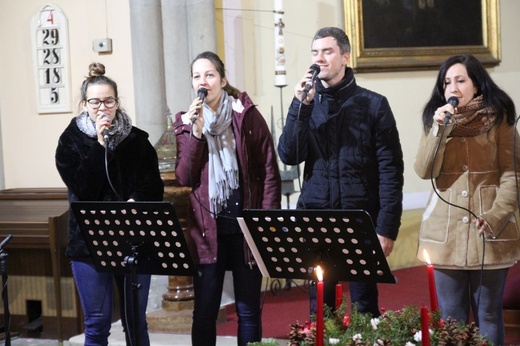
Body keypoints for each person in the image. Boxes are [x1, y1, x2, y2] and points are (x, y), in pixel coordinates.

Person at [277, 27, 404, 317]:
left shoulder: (374, 105)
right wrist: (300, 106)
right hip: (316, 216)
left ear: (345, 56)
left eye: (327, 51)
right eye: (315, 52)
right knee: (321, 310)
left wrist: (386, 227)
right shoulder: (305, 104)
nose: (319, 58)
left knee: (364, 307)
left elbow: (390, 170)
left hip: (360, 219)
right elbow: (289, 155)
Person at [173, 51, 282, 346]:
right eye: (197, 76)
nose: (203, 81)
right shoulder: (185, 122)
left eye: (209, 75)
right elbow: (184, 176)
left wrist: (266, 222)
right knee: (205, 312)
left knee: (248, 311)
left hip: (245, 229)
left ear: (222, 79)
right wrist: (195, 135)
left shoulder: (245, 115)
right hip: (208, 230)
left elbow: (269, 169)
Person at [55, 62, 164, 346]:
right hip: (88, 242)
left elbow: (154, 187)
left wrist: (136, 201)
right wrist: (99, 146)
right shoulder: (70, 141)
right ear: (84, 104)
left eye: (108, 100)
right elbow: (82, 188)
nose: (102, 107)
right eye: (95, 101)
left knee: (135, 322)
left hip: (133, 239)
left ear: (117, 102)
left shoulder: (137, 141)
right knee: (97, 324)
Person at [414, 54, 520, 346]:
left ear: (477, 84)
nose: (453, 88)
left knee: (487, 314)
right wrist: (439, 130)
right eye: (447, 82)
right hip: (444, 233)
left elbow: (512, 175)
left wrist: (497, 216)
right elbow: (424, 170)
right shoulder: (436, 119)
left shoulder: (500, 117)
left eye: (460, 80)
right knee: (451, 317)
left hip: (488, 229)